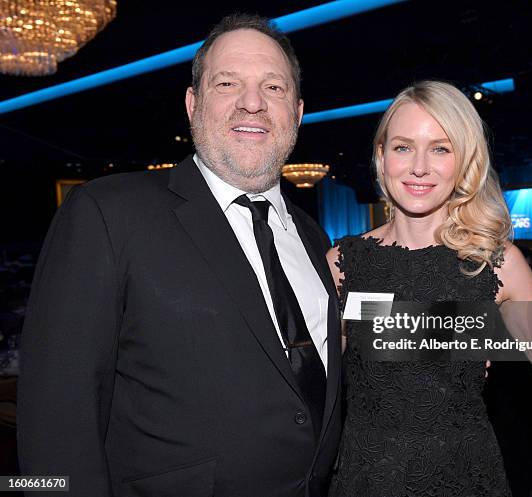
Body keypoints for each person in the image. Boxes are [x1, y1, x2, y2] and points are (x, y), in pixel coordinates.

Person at [17, 14, 342, 497]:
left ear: (296, 113)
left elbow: (375, 343)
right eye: (227, 83)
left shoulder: (316, 239)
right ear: (193, 105)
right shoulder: (108, 213)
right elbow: (54, 415)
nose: (251, 103)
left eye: (273, 88)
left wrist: (468, 332)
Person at [326, 81, 532, 496]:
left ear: (464, 162)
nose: (419, 166)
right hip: (366, 478)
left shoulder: (498, 264)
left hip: (463, 477)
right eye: (403, 147)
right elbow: (317, 389)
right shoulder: (341, 265)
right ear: (381, 156)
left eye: (441, 148)